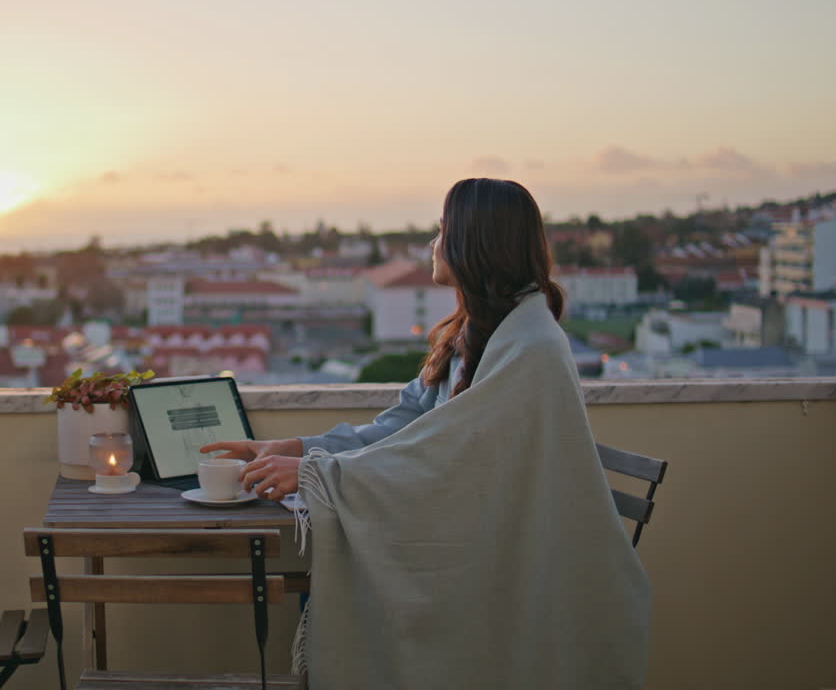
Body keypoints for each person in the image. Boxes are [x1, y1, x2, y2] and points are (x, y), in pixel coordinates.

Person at [201, 178, 650, 689]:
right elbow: (406, 425)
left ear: (475, 242)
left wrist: (315, 474)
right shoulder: (475, 332)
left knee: (349, 588)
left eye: (442, 229)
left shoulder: (532, 349)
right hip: (472, 538)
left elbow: (444, 457)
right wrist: (300, 449)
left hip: (501, 566)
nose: (432, 243)